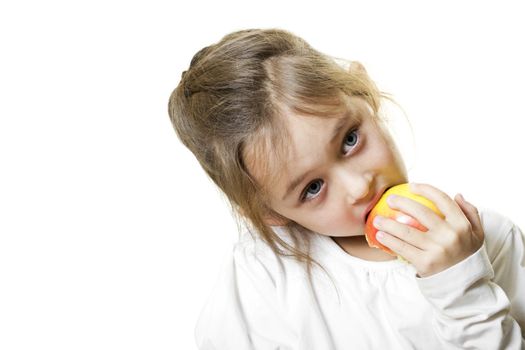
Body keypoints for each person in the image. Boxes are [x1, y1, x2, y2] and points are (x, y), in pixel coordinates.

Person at [168, 28, 525, 349]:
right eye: (312, 188)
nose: (358, 188)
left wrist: (460, 285)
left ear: (364, 93)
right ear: (270, 213)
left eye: (350, 140)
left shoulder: (489, 240)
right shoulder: (264, 274)